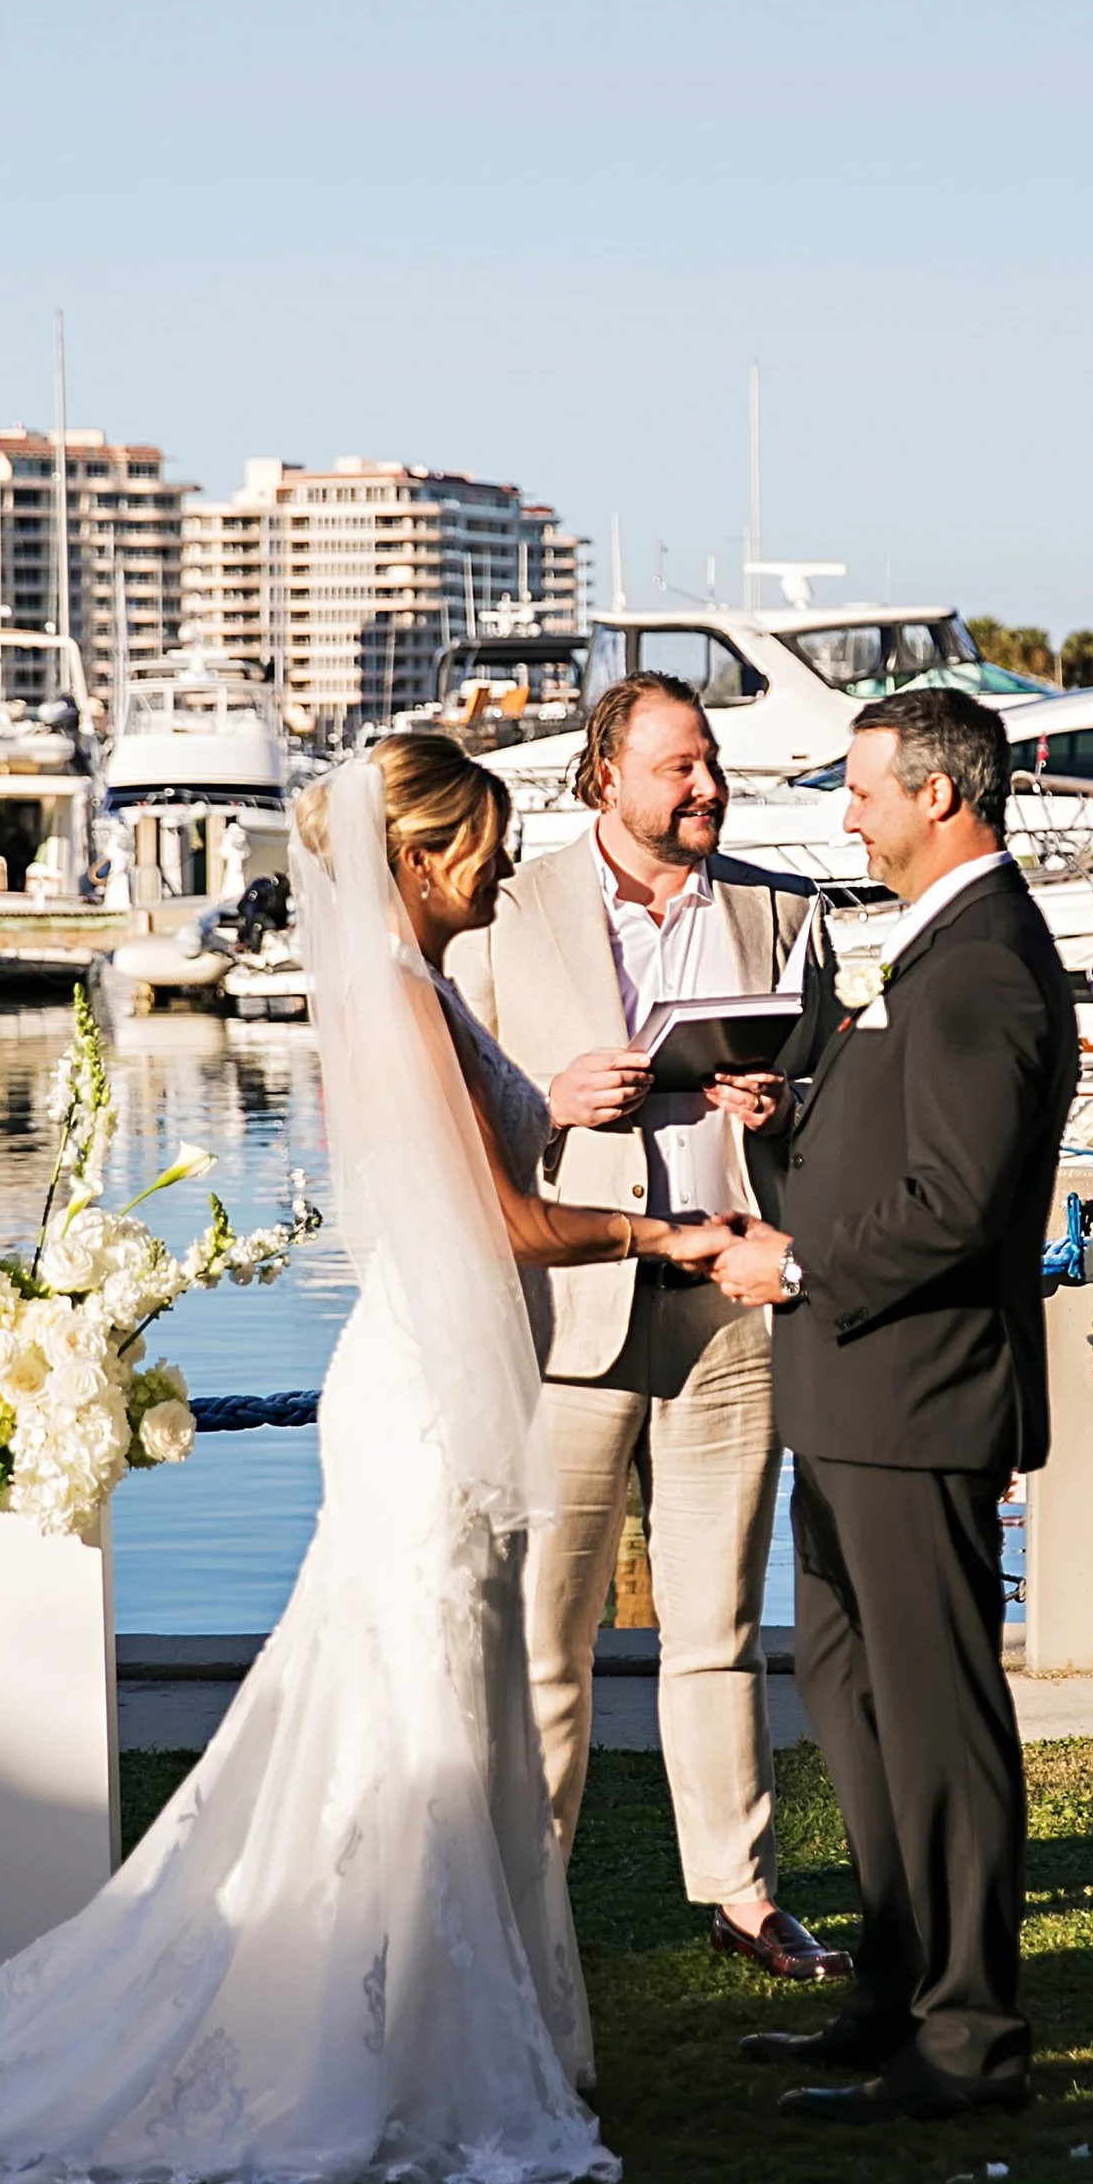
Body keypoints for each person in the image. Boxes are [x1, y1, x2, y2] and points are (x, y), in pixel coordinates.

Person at [0, 737, 734, 2184]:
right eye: (483, 843)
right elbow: (493, 1217)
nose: (504, 864)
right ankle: (388, 2048)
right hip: (423, 1390)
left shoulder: (410, 993)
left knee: (444, 1697)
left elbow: (480, 1154)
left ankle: (443, 2031)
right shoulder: (402, 998)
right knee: (414, 1706)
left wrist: (596, 1103)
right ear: (419, 860)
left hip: (436, 1375)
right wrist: (657, 1238)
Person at [706, 684, 1079, 2122]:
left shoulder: (982, 965)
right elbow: (896, 1159)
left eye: (863, 787)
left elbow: (957, 1205)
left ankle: (970, 2036)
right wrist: (792, 1124)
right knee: (852, 1700)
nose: (846, 811)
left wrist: (791, 1262)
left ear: (941, 794)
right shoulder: (931, 956)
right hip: (854, 1397)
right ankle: (891, 1984)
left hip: (917, 1399)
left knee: (937, 1719)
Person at [446, 671, 847, 1982]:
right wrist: (553, 1100)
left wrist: (783, 1114)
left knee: (718, 1619)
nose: (707, 787)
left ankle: (742, 1896)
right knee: (546, 1634)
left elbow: (837, 1111)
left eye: (713, 763)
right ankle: (525, 1909)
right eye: (679, 765)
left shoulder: (788, 914)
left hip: (726, 1300)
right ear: (606, 774)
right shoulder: (508, 911)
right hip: (567, 1300)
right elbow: (455, 1118)